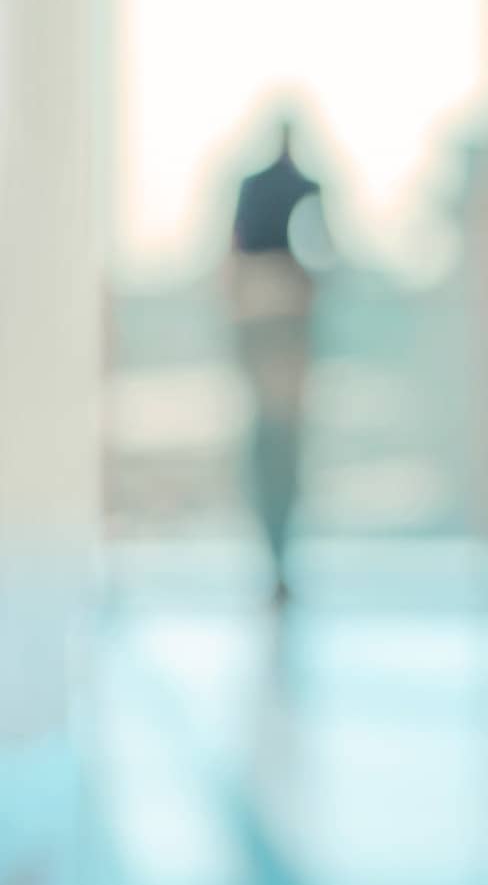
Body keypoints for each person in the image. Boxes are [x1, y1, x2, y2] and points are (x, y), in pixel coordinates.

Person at [222, 112, 332, 609]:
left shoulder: (272, 188)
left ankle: (278, 555)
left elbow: (238, 250)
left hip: (266, 321)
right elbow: (323, 252)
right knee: (277, 443)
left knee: (277, 443)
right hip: (278, 322)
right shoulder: (301, 187)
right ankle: (276, 555)